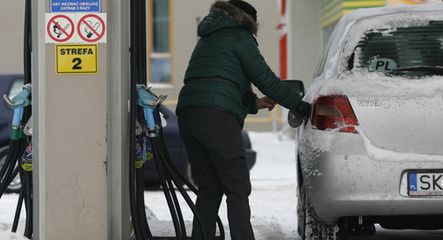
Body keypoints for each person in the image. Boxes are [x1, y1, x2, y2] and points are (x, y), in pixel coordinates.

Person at [176, 1, 310, 239]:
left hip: (189, 114)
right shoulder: (240, 37)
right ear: (247, 21)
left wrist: (253, 103)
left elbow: (216, 80)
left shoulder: (209, 38)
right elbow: (265, 78)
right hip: (216, 119)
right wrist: (299, 104)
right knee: (237, 187)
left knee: (209, 189)